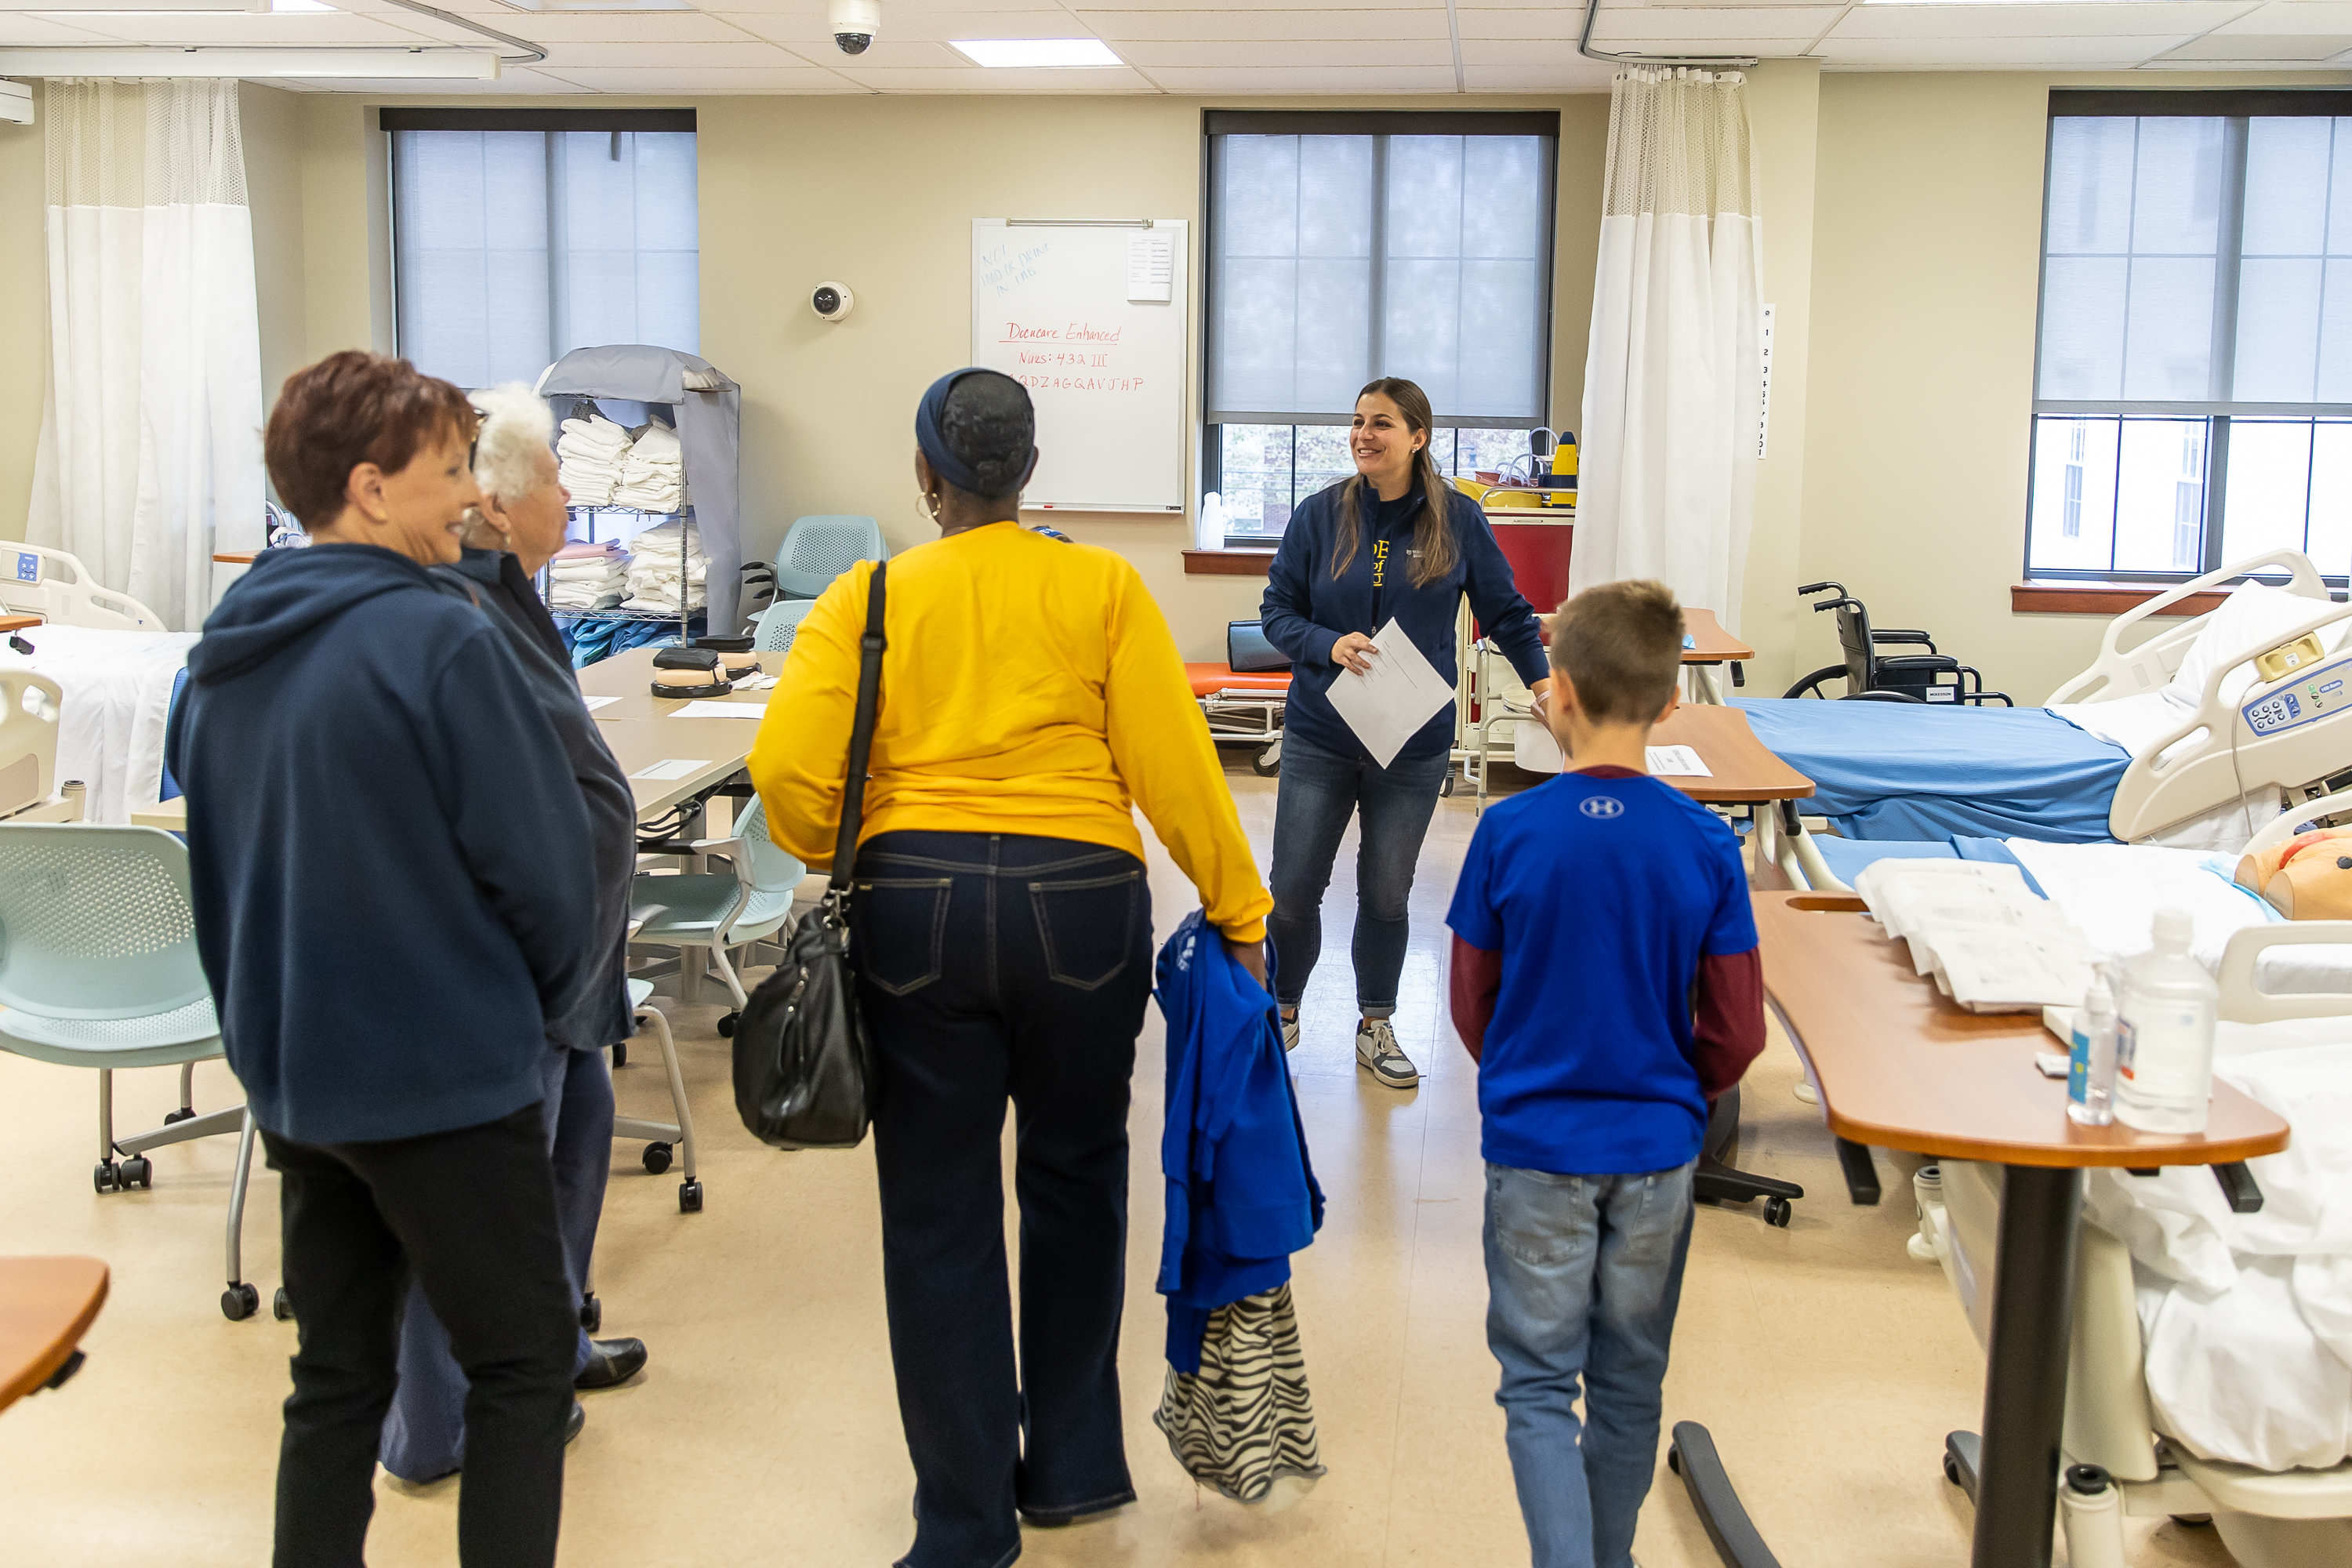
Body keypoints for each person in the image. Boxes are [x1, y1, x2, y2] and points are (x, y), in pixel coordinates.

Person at [749, 367, 1273, 1568]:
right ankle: (1077, 1467)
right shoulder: (1100, 586)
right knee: (1079, 1178)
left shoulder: (866, 594)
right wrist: (1239, 907)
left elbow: (786, 779)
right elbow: (1172, 762)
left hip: (917, 907)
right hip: (1082, 906)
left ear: (926, 478)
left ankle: (966, 1521)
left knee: (938, 1209)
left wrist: (855, 831)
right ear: (1028, 474)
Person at [165, 351, 599, 1568]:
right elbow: (553, 879)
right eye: (453, 469)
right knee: (518, 1367)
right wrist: (533, 1012)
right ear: (369, 488)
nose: (474, 495)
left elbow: (223, 877)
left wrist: (265, 1040)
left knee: (335, 1379)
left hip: (304, 1080)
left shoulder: (222, 655)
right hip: (447, 1079)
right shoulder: (442, 642)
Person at [1444, 580, 1766, 1568]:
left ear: (1558, 691)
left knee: (1539, 1382)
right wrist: (1675, 1092)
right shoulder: (1708, 845)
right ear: (1672, 701)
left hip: (1539, 1146)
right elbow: (1737, 1028)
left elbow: (1470, 1002)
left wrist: (1527, 1073)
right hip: (1658, 1155)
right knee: (1630, 1380)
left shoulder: (1507, 832)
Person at [376, 383, 649, 1486]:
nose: (571, 496)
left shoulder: (516, 594)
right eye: (554, 482)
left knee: (580, 1130)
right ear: (495, 505)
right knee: (487, 1192)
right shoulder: (458, 610)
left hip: (569, 953)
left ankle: (552, 1348)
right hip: (510, 956)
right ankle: (440, 1426)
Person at [1259, 376, 1551, 1090]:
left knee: (1387, 894)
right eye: (1357, 421)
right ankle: (1282, 1009)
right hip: (1321, 735)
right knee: (1294, 889)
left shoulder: (1459, 519)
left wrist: (1543, 684)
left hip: (1411, 744)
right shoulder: (1320, 514)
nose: (1364, 434)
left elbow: (1506, 613)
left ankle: (1376, 1021)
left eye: (1381, 423)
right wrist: (1326, 644)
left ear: (1418, 436)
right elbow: (1275, 612)